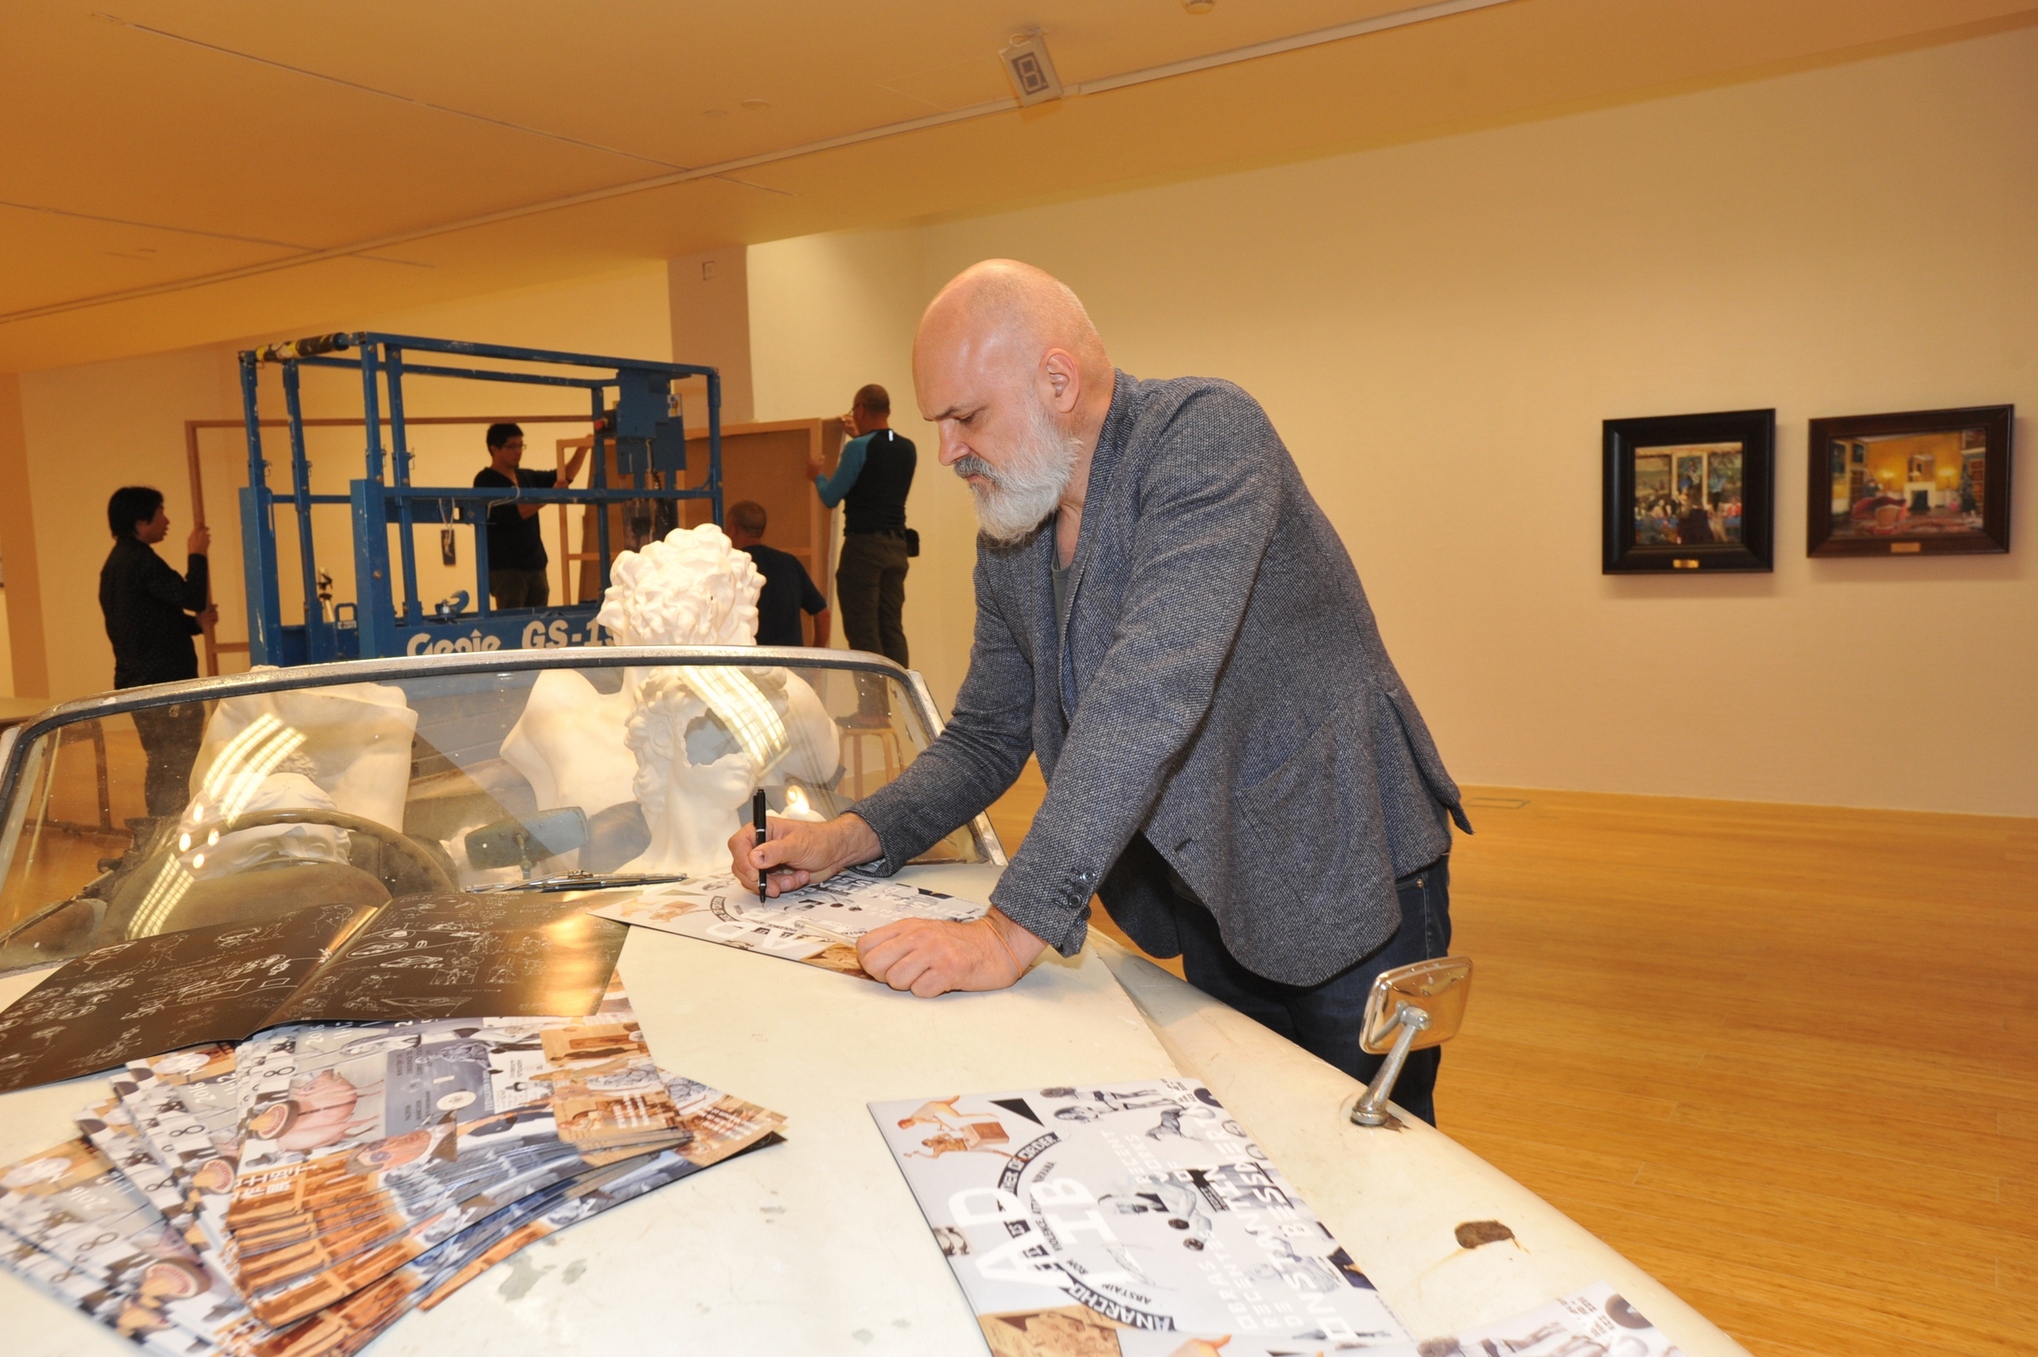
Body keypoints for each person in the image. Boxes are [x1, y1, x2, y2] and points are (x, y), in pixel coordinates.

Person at [734, 261, 1470, 1124]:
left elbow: (1148, 695)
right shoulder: (1013, 532)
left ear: (1057, 380)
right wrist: (848, 837)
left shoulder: (1206, 436)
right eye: (938, 424)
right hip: (1212, 886)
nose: (947, 451)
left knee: (1369, 1153)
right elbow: (984, 736)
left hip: (1342, 868)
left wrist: (1007, 933)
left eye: (966, 416)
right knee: (1261, 1137)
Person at [98, 486, 216, 817]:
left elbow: (146, 621)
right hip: (165, 684)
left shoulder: (116, 565)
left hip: (139, 681)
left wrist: (195, 624)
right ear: (140, 520)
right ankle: (173, 830)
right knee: (177, 762)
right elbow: (192, 596)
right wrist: (197, 553)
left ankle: (160, 829)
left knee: (163, 761)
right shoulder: (140, 561)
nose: (167, 520)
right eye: (161, 511)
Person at [811, 385, 914, 667]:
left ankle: (872, 697)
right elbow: (880, 455)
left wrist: (817, 475)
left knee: (863, 630)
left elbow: (830, 496)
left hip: (864, 549)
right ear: (888, 410)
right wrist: (858, 438)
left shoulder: (858, 448)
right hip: (897, 548)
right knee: (891, 628)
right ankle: (898, 693)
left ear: (861, 410)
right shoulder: (907, 448)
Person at [474, 422, 587, 609]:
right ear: (494, 449)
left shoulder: (526, 476)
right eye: (512, 446)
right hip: (507, 568)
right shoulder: (485, 480)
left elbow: (563, 476)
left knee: (539, 622)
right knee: (513, 621)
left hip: (536, 565)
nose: (518, 451)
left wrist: (583, 449)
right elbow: (511, 514)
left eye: (521, 446)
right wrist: (549, 496)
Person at [725, 500, 830, 648]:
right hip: (791, 659)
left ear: (732, 529)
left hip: (748, 658)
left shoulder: (729, 567)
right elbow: (822, 614)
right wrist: (817, 654)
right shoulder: (790, 563)